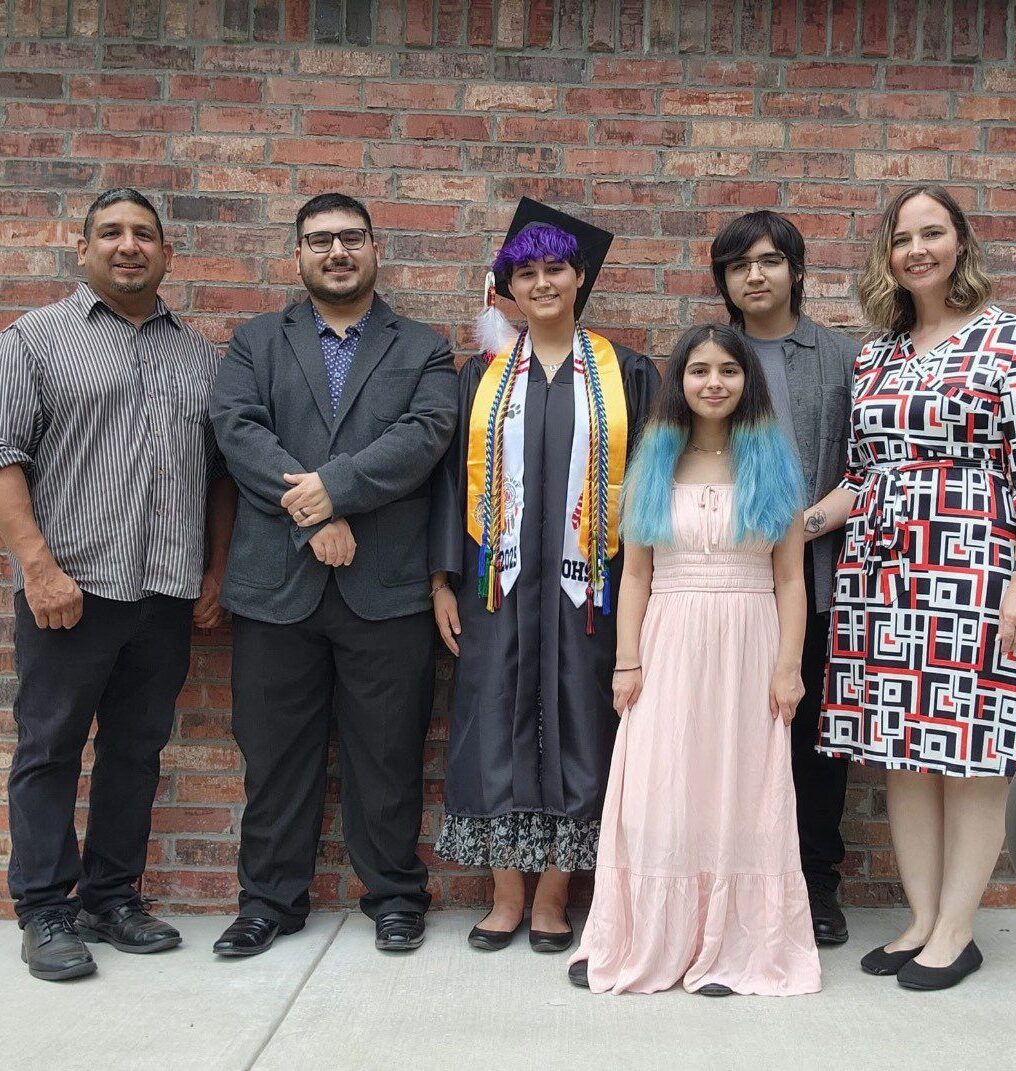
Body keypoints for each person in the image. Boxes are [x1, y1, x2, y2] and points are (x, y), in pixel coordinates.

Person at [808, 184, 1016, 990]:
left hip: (972, 571)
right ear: (887, 255)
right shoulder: (878, 353)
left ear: (959, 243)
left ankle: (957, 929)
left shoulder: (1006, 339)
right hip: (881, 575)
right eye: (901, 237)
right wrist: (797, 522)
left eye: (931, 232)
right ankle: (920, 918)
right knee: (902, 752)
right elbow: (861, 474)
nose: (915, 249)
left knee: (973, 752)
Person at [209, 193, 457, 957]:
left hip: (385, 589)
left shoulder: (423, 346)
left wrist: (336, 488)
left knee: (386, 751)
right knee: (275, 751)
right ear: (297, 257)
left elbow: (426, 434)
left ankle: (393, 894)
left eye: (351, 238)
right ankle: (268, 900)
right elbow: (237, 429)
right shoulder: (255, 342)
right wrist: (317, 513)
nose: (337, 251)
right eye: (320, 240)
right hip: (275, 585)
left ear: (376, 249)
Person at [0, 188, 234, 981]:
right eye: (110, 233)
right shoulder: (35, 340)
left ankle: (111, 897)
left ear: (167, 255)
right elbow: (4, 457)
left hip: (163, 594)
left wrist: (212, 569)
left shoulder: (201, 356)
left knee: (136, 751)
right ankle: (44, 909)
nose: (127, 245)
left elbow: (220, 478)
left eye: (143, 234)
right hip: (70, 590)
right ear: (83, 249)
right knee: (50, 748)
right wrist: (37, 565)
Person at [430, 200, 660, 952]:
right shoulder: (482, 377)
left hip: (592, 588)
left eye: (553, 267)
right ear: (508, 289)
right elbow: (449, 486)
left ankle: (556, 895)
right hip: (494, 585)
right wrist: (442, 580)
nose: (540, 282)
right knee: (494, 721)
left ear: (579, 275)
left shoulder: (626, 372)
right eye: (523, 272)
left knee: (581, 725)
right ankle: (503, 894)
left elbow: (649, 487)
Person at [568, 324, 821, 997]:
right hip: (668, 638)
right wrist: (626, 661)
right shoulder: (654, 458)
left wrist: (788, 666)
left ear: (748, 382)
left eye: (728, 371)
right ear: (679, 381)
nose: (714, 382)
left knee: (740, 787)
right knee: (660, 783)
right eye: (699, 370)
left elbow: (792, 579)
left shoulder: (773, 463)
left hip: (749, 638)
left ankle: (735, 948)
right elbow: (635, 577)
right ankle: (645, 937)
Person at [709, 211, 859, 946]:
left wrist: (797, 530)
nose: (755, 275)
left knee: (810, 741)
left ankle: (814, 882)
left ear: (796, 269)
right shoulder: (710, 354)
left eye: (769, 261)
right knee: (725, 737)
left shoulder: (838, 356)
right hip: (718, 584)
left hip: (815, 573)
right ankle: (733, 881)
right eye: (739, 265)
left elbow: (869, 466)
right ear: (723, 279)